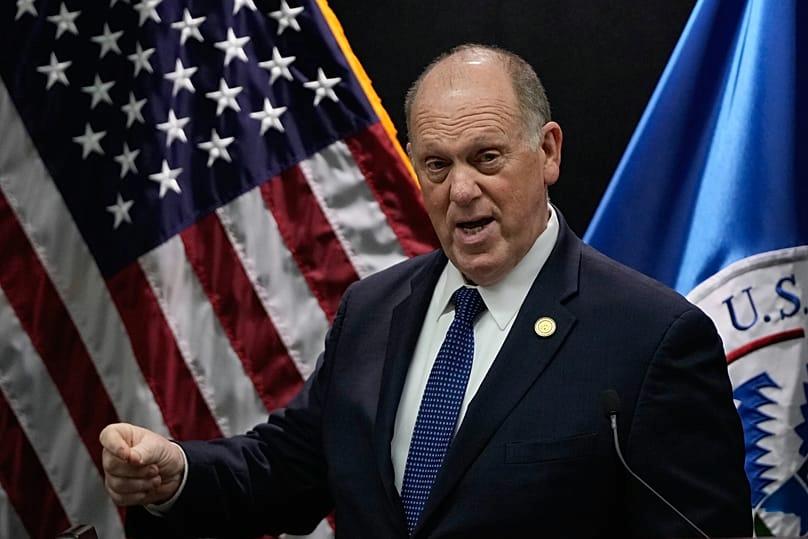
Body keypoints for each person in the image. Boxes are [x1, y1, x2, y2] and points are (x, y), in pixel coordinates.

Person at [100, 44, 751, 538]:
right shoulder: (372, 310)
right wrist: (176, 472)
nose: (461, 190)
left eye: (486, 157)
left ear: (548, 151)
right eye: (437, 165)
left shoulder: (651, 339)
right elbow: (290, 466)